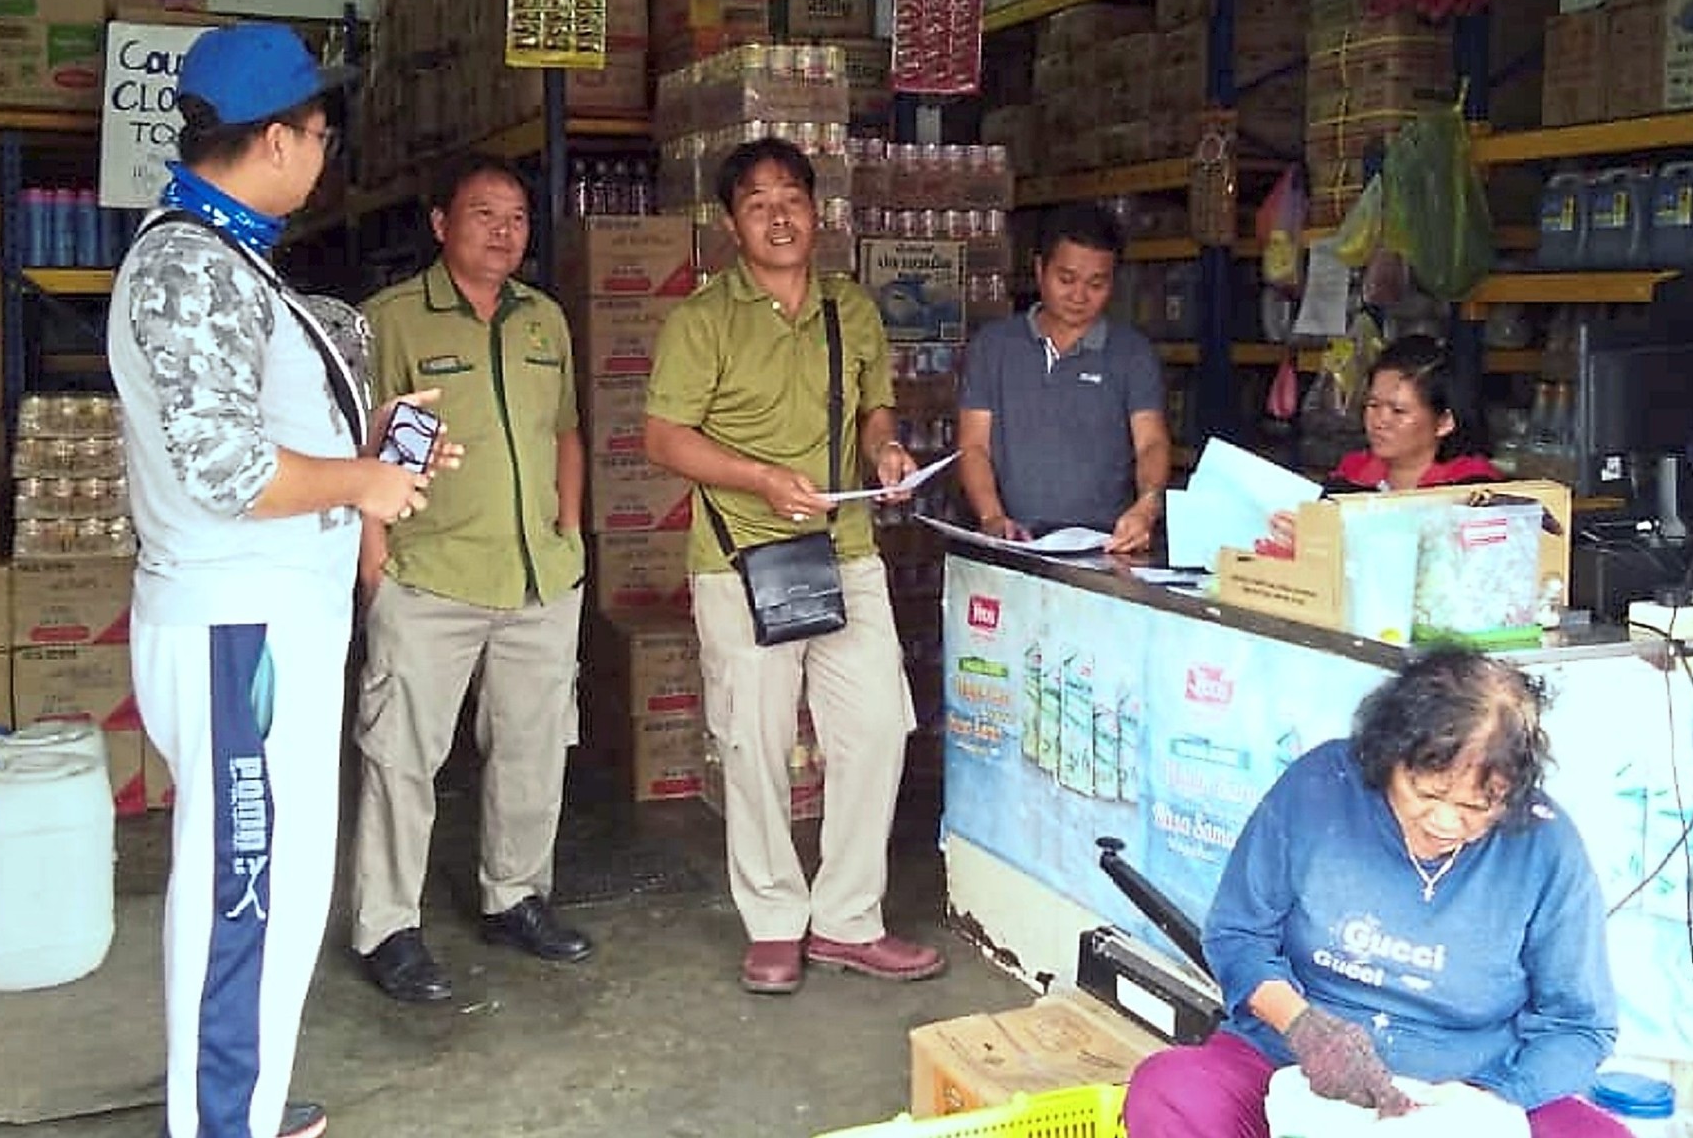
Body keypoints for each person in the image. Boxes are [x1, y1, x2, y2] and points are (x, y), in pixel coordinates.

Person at [109, 23, 454, 1138]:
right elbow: (225, 465)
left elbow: (261, 422)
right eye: (318, 130)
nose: (325, 150)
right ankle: (220, 1123)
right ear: (270, 138)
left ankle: (241, 1100)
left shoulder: (230, 257)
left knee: (279, 880)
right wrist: (361, 480)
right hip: (237, 627)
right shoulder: (187, 265)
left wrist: (375, 436)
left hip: (269, 621)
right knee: (243, 891)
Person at [644, 136, 944, 996]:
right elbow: (662, 437)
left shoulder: (852, 307)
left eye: (792, 198)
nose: (779, 215)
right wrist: (760, 481)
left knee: (878, 728)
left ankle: (849, 917)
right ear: (730, 223)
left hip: (846, 552)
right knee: (755, 743)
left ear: (819, 211)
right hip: (743, 560)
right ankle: (774, 918)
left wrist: (886, 455)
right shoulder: (702, 319)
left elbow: (875, 410)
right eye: (757, 202)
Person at [1124, 649, 1628, 1138]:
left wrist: (1489, 1097)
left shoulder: (1546, 847)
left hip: (1465, 1089)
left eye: (1478, 807)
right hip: (1293, 1067)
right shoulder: (1319, 788)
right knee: (1170, 1092)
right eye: (1427, 794)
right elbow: (1238, 934)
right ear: (1388, 758)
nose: (1447, 822)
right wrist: (1304, 1028)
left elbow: (1580, 1026)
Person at [348, 156, 594, 1003]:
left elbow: (566, 429)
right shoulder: (390, 321)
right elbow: (362, 452)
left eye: (518, 216)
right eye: (484, 213)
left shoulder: (545, 321)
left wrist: (569, 528)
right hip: (430, 574)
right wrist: (373, 561)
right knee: (402, 755)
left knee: (534, 746)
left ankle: (515, 895)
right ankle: (388, 924)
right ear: (439, 223)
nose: (503, 230)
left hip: (538, 576)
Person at [957, 204, 1172, 553]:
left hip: (1105, 546)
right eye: (1066, 279)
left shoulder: (1132, 354)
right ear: (1040, 269)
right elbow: (974, 446)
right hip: (1013, 541)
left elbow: (1151, 443)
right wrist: (992, 517)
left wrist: (1146, 507)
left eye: (1096, 284)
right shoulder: (993, 348)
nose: (1079, 296)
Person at [1327, 333, 1502, 493]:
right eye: (1373, 405)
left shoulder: (1472, 487)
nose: (1379, 421)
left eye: (1398, 411)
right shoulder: (1351, 474)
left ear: (1444, 422)